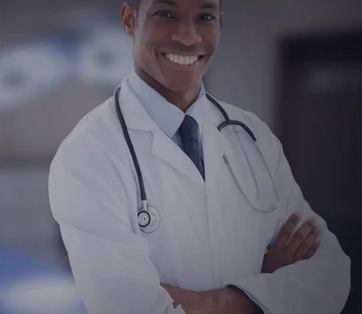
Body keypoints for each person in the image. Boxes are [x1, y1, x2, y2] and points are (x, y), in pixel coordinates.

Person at [48, 0, 351, 313]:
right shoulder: (88, 153)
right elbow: (130, 307)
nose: (188, 37)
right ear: (129, 20)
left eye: (204, 17)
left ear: (219, 23)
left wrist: (203, 301)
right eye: (166, 14)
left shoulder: (253, 135)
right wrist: (263, 290)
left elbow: (332, 274)